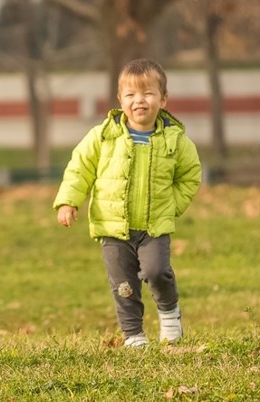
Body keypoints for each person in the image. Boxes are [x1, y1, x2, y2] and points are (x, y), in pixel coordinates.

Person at [53, 58, 201, 348]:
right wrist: (68, 201)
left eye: (148, 93)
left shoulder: (175, 140)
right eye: (131, 95)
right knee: (124, 286)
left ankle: (170, 315)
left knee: (157, 272)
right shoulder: (104, 136)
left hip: (154, 227)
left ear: (163, 99)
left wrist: (171, 207)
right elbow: (79, 168)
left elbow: (190, 176)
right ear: (120, 100)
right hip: (113, 227)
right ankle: (134, 335)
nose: (139, 101)